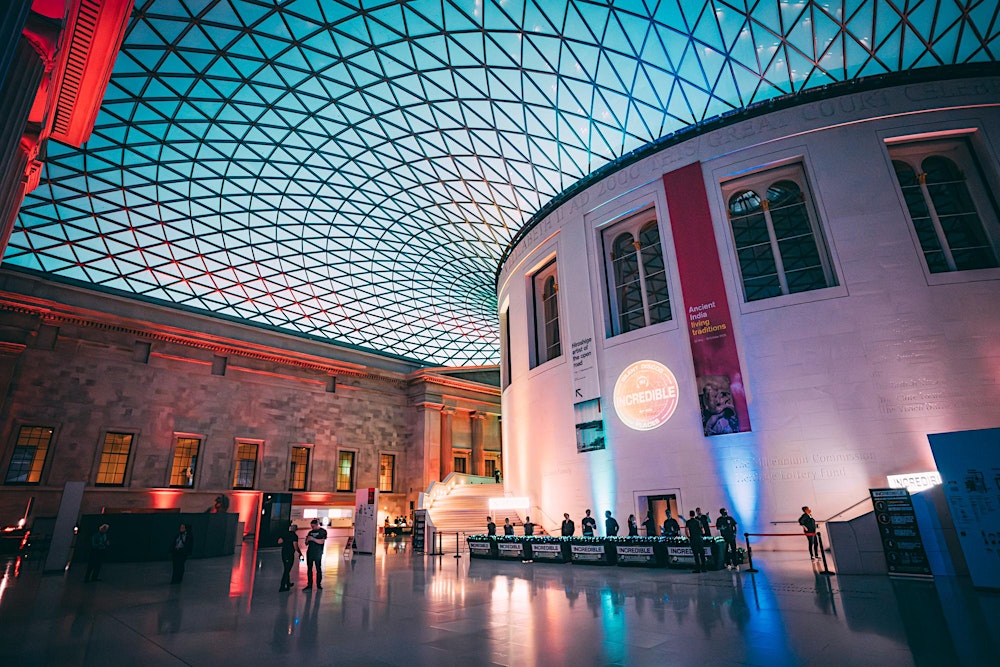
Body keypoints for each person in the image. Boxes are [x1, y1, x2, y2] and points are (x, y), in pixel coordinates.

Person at [278, 523, 302, 592]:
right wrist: (300, 553)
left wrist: (285, 544)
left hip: (284, 553)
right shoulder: (294, 536)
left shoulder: (285, 534)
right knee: (287, 570)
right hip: (290, 554)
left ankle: (288, 584)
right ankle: (282, 586)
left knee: (286, 568)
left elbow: (279, 541)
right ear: (296, 530)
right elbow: (295, 546)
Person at [304, 518, 327, 589]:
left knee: (318, 568)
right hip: (310, 552)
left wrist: (313, 539)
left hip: (318, 552)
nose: (312, 528)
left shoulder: (322, 531)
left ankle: (318, 584)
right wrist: (307, 540)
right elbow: (306, 543)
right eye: (311, 526)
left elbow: (322, 542)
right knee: (309, 568)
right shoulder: (310, 532)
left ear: (317, 525)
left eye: (313, 526)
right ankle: (309, 584)